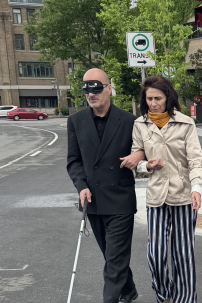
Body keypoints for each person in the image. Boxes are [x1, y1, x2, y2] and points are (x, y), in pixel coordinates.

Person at [66, 68, 144, 303]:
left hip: (120, 199)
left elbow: (148, 147)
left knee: (115, 257)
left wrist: (139, 154)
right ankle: (128, 290)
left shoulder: (130, 121)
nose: (91, 94)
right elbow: (74, 161)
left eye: (97, 88)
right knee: (111, 256)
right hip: (93, 200)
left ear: (109, 89)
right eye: (87, 89)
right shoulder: (76, 121)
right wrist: (81, 186)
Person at [132, 76, 202, 303]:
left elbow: (196, 160)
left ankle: (185, 299)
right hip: (156, 197)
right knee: (156, 254)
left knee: (183, 254)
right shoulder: (140, 125)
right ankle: (164, 293)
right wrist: (146, 165)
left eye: (158, 98)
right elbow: (136, 159)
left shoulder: (185, 123)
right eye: (149, 98)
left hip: (183, 195)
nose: (153, 103)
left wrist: (197, 188)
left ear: (168, 98)